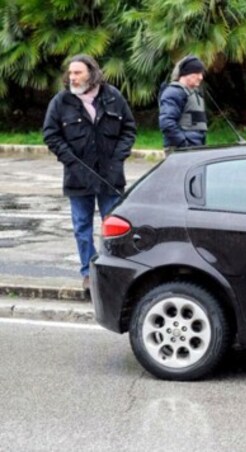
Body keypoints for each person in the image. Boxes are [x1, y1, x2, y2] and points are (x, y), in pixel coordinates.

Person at [42, 54, 136, 290]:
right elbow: (51, 135)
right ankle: (88, 272)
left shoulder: (113, 97)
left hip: (110, 176)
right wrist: (71, 162)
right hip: (77, 177)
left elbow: (129, 130)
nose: (72, 78)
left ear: (92, 73)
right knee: (82, 227)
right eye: (70, 73)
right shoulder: (61, 101)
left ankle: (113, 271)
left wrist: (117, 159)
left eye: (78, 73)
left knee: (114, 226)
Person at [159, 55, 207, 148]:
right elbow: (167, 123)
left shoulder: (195, 93)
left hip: (196, 148)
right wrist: (184, 144)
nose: (201, 77)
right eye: (197, 73)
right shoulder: (174, 92)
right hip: (181, 150)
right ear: (187, 74)